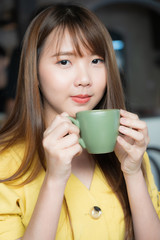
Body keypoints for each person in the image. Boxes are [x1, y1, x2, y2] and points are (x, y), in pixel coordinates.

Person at [0, 4, 159, 240]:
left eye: (96, 61)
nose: (85, 79)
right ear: (33, 69)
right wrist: (54, 180)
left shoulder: (128, 149)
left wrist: (133, 172)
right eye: (64, 62)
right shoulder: (6, 160)